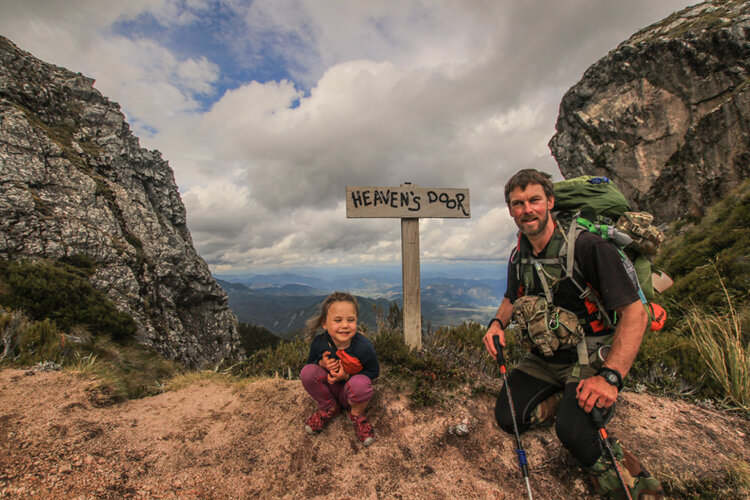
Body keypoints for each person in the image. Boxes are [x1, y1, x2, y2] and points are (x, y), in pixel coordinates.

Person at [482, 169, 663, 499]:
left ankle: (636, 485)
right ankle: (566, 397)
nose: (527, 210)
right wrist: (496, 325)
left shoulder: (589, 247)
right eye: (518, 203)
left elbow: (634, 313)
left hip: (590, 355)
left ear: (550, 202)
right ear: (510, 210)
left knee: (573, 430)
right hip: (544, 357)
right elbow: (511, 296)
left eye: (535, 200)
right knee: (509, 416)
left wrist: (610, 377)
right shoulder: (519, 254)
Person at [300, 292, 379, 446]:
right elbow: (311, 364)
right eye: (337, 320)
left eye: (351, 320)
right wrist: (321, 364)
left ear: (357, 321)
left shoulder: (364, 347)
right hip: (330, 390)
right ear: (324, 323)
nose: (345, 325)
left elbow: (374, 372)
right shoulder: (319, 343)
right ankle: (330, 407)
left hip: (351, 393)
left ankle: (356, 415)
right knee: (307, 373)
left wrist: (347, 376)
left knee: (360, 384)